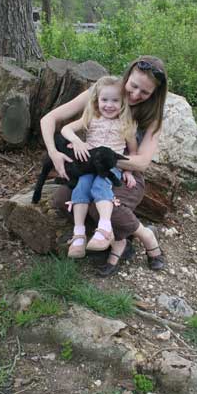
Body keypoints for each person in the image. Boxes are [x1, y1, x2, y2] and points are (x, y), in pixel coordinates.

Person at [40, 55, 168, 277]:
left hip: (125, 171)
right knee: (63, 199)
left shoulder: (151, 116)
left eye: (145, 92)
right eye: (134, 86)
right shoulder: (104, 91)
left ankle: (144, 236)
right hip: (90, 167)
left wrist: (103, 159)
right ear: (127, 76)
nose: (136, 95)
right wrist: (55, 152)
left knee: (98, 204)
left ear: (154, 94)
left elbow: (142, 162)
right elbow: (48, 120)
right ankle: (113, 237)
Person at [60, 75, 138, 258]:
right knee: (81, 187)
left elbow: (133, 152)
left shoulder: (126, 124)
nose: (109, 105)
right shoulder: (92, 117)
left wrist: (128, 171)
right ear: (97, 100)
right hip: (89, 165)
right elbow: (66, 129)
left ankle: (105, 227)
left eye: (115, 101)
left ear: (123, 103)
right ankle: (78, 235)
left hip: (111, 167)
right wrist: (77, 142)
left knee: (100, 185)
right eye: (104, 100)